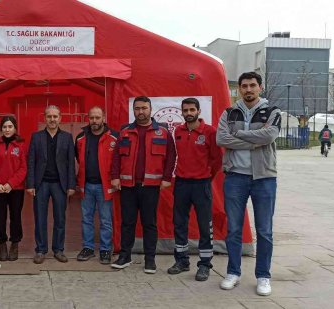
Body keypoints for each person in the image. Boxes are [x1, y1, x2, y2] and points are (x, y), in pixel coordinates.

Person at [216, 72, 281, 296]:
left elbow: (269, 136)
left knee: (264, 231)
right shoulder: (229, 112)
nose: (248, 89)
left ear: (260, 87)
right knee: (233, 228)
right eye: (244, 86)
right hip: (235, 176)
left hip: (264, 177)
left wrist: (241, 134)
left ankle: (263, 276)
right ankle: (233, 272)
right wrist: (253, 141)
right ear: (239, 89)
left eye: (252, 85)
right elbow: (221, 139)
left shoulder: (272, 112)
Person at [110, 96, 176, 273]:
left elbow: (171, 157)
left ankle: (150, 259)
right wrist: (115, 176)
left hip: (151, 186)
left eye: (144, 108)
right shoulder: (124, 132)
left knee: (149, 223)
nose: (141, 111)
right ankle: (125, 256)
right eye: (137, 108)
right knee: (127, 222)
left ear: (151, 109)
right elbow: (116, 156)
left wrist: (166, 178)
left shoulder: (162, 132)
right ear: (133, 110)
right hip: (128, 185)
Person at [167, 98, 222, 281]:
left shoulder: (209, 132)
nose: (189, 113)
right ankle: (182, 261)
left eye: (192, 109)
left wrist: (205, 176)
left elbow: (216, 160)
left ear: (198, 111)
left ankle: (205, 265)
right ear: (181, 112)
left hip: (201, 184)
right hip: (182, 183)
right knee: (179, 223)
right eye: (185, 110)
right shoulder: (178, 131)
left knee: (205, 226)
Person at [27, 105, 76, 264]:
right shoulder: (36, 137)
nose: (52, 119)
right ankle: (40, 250)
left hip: (60, 184)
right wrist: (31, 184)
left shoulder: (67, 137)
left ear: (60, 118)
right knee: (40, 218)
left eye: (55, 116)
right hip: (41, 184)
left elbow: (70, 163)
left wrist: (71, 185)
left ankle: (58, 249)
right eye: (49, 116)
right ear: (45, 118)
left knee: (60, 219)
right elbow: (31, 161)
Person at [74, 106, 118, 264]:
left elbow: (118, 162)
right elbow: (79, 159)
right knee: (86, 219)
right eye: (91, 118)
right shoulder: (80, 138)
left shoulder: (114, 137)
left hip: (105, 186)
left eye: (97, 117)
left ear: (104, 118)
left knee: (106, 220)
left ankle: (106, 250)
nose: (94, 121)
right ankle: (88, 248)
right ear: (88, 119)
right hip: (87, 185)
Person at [0, 116, 27, 261]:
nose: (7, 129)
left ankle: (14, 244)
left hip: (16, 189)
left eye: (10, 127)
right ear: (1, 128)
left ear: (15, 128)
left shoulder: (21, 145)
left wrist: (11, 184)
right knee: (0, 217)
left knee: (15, 217)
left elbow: (23, 168)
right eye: (5, 127)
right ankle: (2, 244)